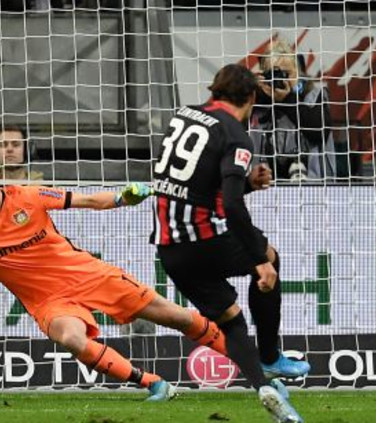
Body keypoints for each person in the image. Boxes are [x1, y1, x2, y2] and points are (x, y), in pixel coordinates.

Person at [0, 146, 231, 401]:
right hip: (49, 301)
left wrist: (121, 198)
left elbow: (88, 199)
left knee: (176, 316)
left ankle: (250, 361)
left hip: (88, 275)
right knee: (72, 339)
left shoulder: (28, 197)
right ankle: (154, 383)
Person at [151, 64, 306, 423]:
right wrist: (258, 259)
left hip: (170, 249)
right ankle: (270, 357)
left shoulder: (185, 116)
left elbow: (194, 184)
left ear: (215, 91)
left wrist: (247, 183)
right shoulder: (236, 135)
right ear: (251, 97)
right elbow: (233, 207)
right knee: (270, 258)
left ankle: (264, 388)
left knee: (231, 321)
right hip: (204, 239)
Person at [249, 39, 335, 181]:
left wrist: (287, 99)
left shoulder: (314, 96)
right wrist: (254, 90)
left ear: (298, 72)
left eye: (287, 73)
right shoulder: (255, 101)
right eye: (275, 73)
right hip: (263, 184)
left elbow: (319, 133)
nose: (282, 79)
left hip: (314, 184)